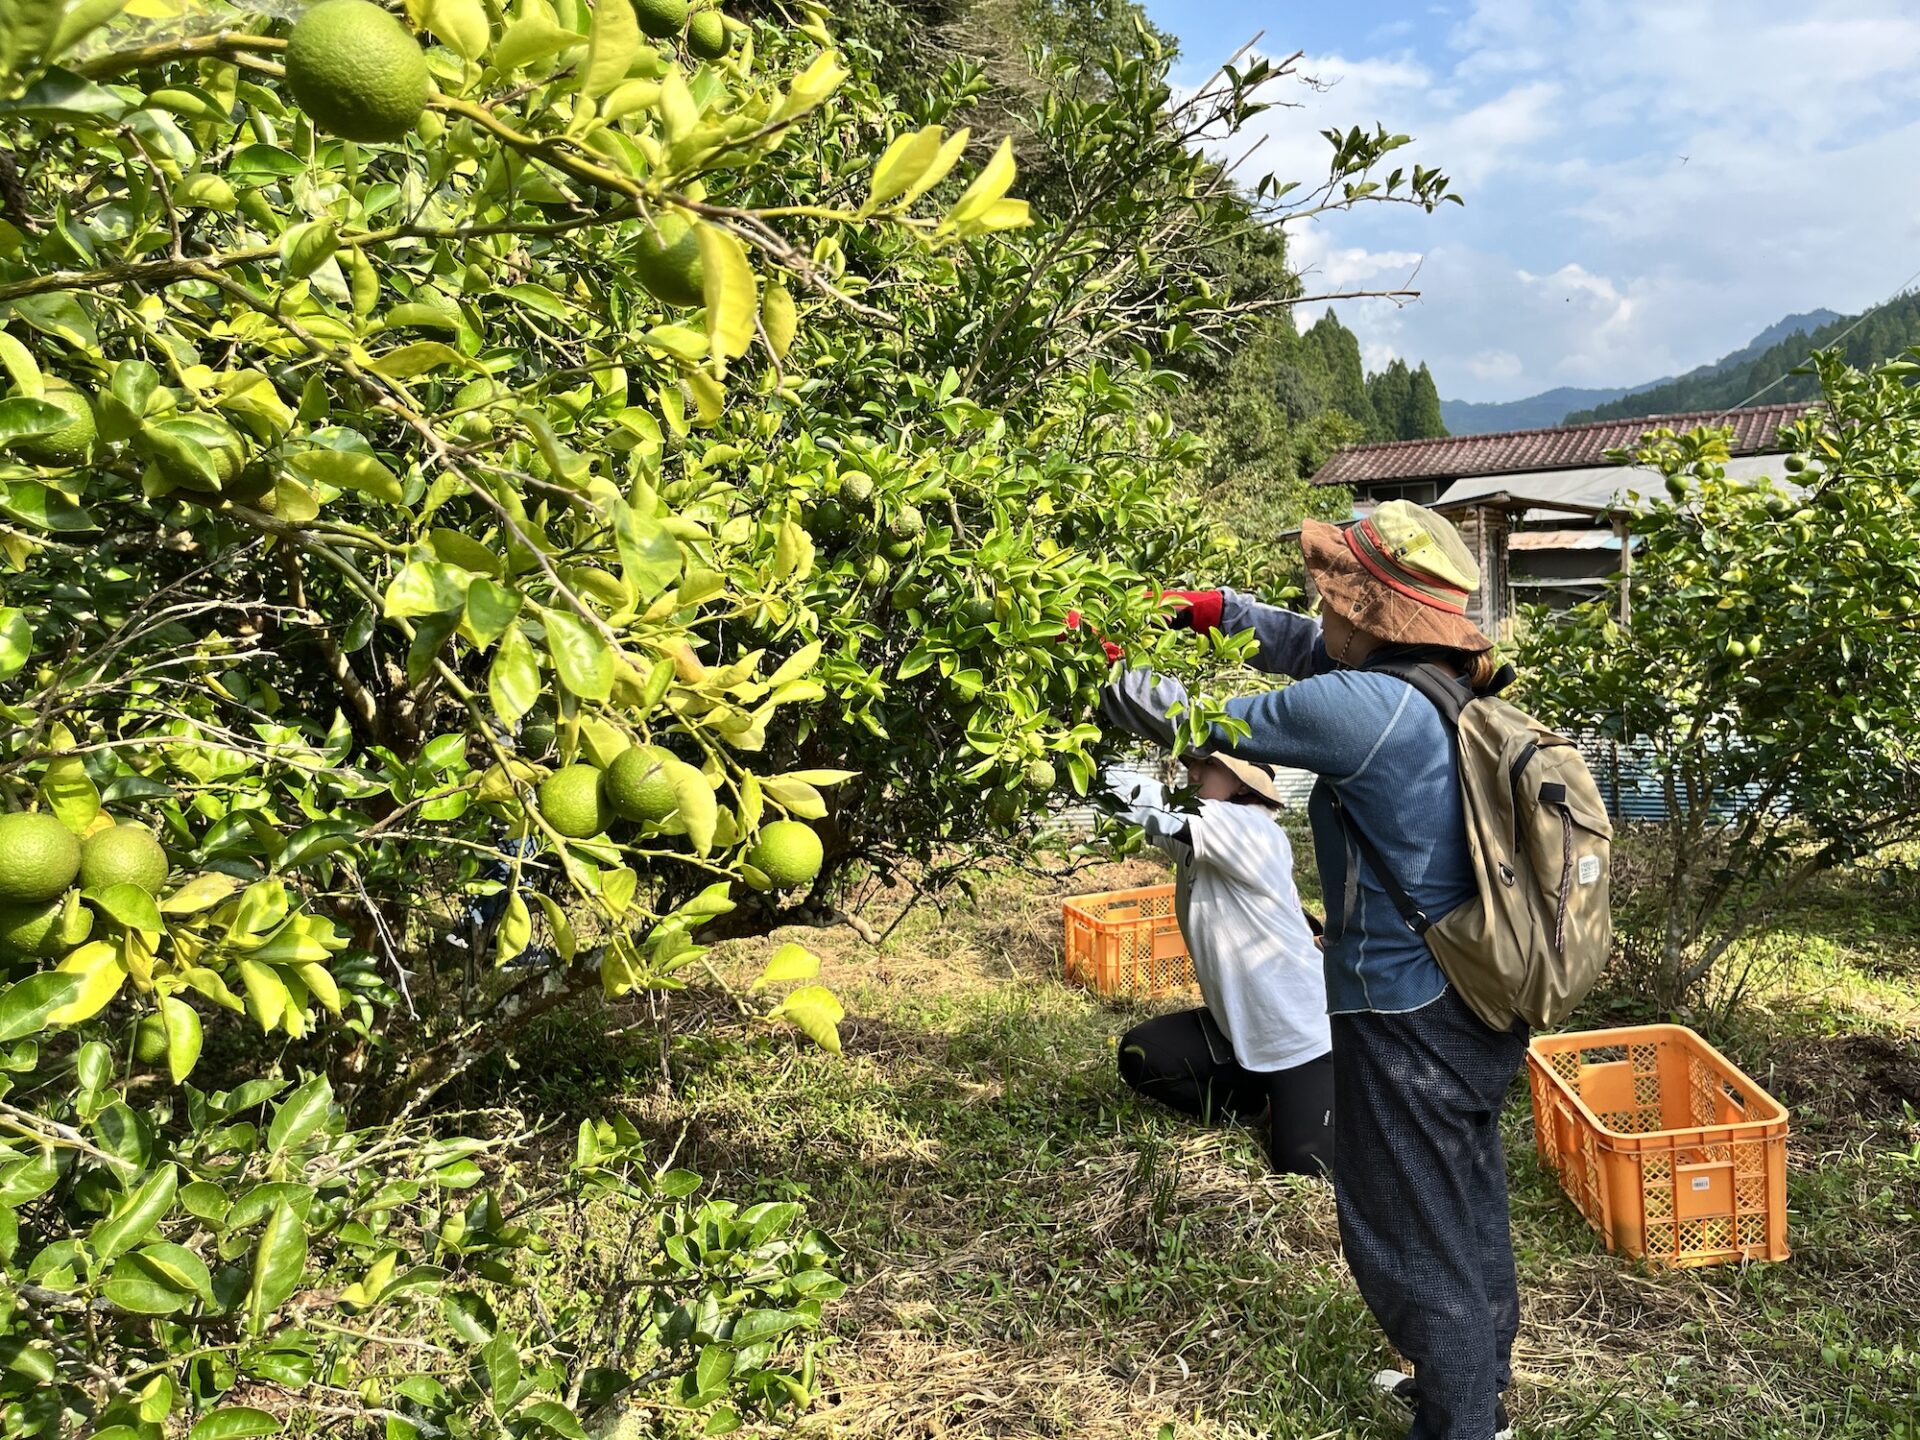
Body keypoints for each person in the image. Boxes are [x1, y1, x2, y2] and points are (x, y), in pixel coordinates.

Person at [1101, 501, 1526, 1440]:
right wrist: (1221, 611)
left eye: (1333, 591)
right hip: (1477, 994)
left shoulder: (1361, 708)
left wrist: (1100, 659)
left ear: (1368, 608)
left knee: (1409, 1223)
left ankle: (1460, 1423)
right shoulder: (1436, 681)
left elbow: (1198, 715)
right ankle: (1475, 1390)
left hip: (1409, 1007)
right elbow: (1306, 645)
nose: (1318, 607)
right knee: (1463, 1194)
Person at [1105, 752, 1333, 1176]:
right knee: (1143, 1055)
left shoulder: (1250, 830)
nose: (1191, 772)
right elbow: (1144, 813)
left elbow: (1154, 803)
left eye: (1207, 766)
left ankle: (1324, 1094)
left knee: (1304, 1167)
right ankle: (1259, 1102)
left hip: (1304, 1043)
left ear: (1243, 784)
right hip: (1240, 1032)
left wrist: (1081, 760)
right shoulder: (1206, 841)